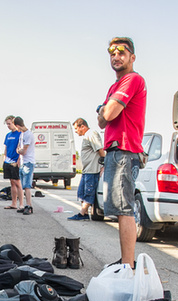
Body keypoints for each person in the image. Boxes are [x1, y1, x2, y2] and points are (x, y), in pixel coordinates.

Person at [97, 36, 146, 268]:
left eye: (122, 52)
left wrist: (103, 108)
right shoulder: (114, 86)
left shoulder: (132, 79)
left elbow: (107, 114)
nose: (116, 56)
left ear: (132, 57)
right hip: (116, 151)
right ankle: (126, 262)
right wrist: (104, 110)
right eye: (112, 53)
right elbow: (101, 123)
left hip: (124, 151)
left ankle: (128, 265)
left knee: (125, 209)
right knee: (119, 209)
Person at [69, 118, 105, 220]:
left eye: (76, 128)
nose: (76, 131)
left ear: (83, 127)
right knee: (81, 193)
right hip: (86, 170)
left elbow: (100, 150)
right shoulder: (87, 136)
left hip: (92, 170)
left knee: (88, 193)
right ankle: (84, 213)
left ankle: (82, 214)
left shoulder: (92, 134)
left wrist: (103, 166)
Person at [14, 117, 35, 215]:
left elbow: (23, 150)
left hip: (28, 163)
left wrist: (18, 151)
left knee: (27, 186)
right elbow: (19, 149)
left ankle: (29, 206)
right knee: (22, 186)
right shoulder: (22, 135)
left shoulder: (28, 135)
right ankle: (23, 205)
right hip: (22, 163)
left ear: (18, 126)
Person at [2, 115, 23, 210]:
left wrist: (18, 160)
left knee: (17, 182)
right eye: (7, 124)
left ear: (14, 123)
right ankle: (14, 203)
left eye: (9, 124)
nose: (8, 125)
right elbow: (6, 148)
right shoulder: (8, 135)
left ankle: (21, 204)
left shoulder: (20, 134)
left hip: (15, 161)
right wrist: (4, 158)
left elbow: (21, 148)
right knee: (12, 182)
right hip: (8, 161)